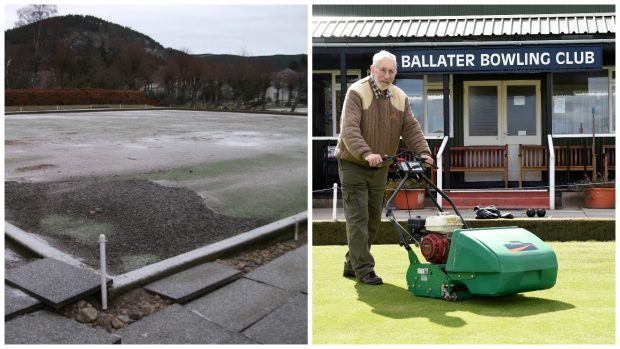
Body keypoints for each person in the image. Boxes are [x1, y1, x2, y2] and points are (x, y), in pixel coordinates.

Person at [335, 50, 434, 285]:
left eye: (391, 71)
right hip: (353, 163)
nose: (387, 75)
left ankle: (352, 263)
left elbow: (410, 128)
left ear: (395, 73)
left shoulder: (400, 97)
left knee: (372, 221)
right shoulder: (356, 92)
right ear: (373, 70)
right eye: (383, 70)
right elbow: (349, 130)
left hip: (380, 167)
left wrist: (424, 153)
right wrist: (366, 153)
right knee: (358, 218)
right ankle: (364, 270)